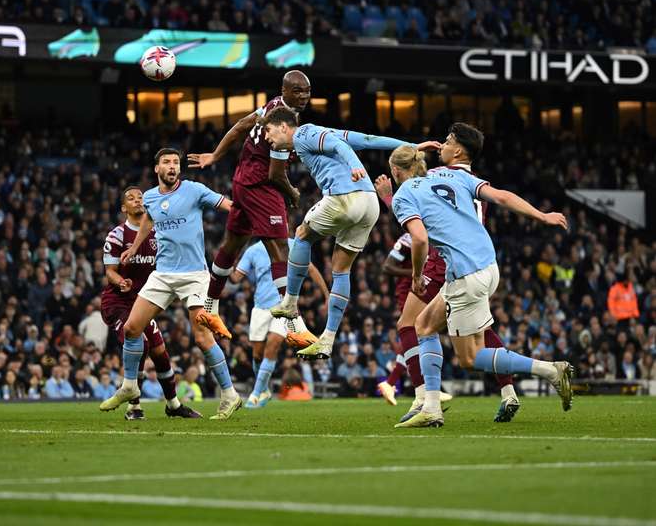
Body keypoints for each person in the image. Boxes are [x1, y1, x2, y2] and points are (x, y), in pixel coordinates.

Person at [386, 128, 574, 428]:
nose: (443, 145)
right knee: (423, 324)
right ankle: (431, 407)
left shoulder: (407, 192)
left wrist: (417, 275)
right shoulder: (456, 176)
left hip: (464, 273)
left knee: (471, 359)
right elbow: (500, 196)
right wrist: (541, 216)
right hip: (487, 264)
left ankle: (550, 370)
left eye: (448, 142)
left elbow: (419, 240)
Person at [262, 107, 439, 360]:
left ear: (283, 126)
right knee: (341, 269)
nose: (267, 137)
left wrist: (355, 166)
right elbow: (366, 140)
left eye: (268, 131)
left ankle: (290, 302)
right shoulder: (324, 132)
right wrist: (412, 145)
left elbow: (339, 148)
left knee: (301, 234)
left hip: (346, 197)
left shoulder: (304, 133)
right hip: (369, 203)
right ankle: (328, 339)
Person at [374, 125, 519, 423]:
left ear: (459, 150)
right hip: (476, 258)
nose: (443, 144)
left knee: (409, 325)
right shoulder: (469, 180)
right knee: (483, 331)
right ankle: (509, 392)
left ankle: (423, 398)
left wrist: (388, 198)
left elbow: (410, 186)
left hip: (444, 260)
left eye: (449, 141)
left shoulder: (441, 176)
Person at [99, 148, 242, 419]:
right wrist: (135, 247)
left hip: (194, 276)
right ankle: (130, 386)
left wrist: (242, 221)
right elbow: (149, 221)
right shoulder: (150, 197)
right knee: (132, 328)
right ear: (157, 169)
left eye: (176, 162)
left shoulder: (194, 190)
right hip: (163, 275)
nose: (172, 166)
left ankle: (230, 394)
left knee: (201, 336)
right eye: (166, 162)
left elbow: (228, 205)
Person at [188, 71, 310, 341]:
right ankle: (293, 325)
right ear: (285, 90)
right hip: (261, 185)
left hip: (242, 179)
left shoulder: (272, 104)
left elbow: (241, 125)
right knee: (279, 248)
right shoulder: (283, 122)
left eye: (306, 91)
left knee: (232, 244)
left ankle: (210, 307)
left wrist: (216, 155)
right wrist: (292, 193)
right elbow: (276, 175)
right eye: (297, 91)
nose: (303, 96)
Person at [101, 185, 200, 419]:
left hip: (143, 301)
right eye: (131, 198)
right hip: (118, 303)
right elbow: (109, 272)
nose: (137, 200)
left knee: (160, 352)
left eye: (141, 197)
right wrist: (120, 281)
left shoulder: (157, 234)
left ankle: (173, 405)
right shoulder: (117, 235)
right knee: (140, 343)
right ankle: (134, 407)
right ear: (124, 208)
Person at [229, 237, 328, 408]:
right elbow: (236, 278)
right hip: (260, 307)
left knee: (273, 344)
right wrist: (225, 262)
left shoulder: (292, 245)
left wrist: (327, 295)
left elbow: (311, 269)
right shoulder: (253, 250)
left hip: (284, 305)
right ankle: (264, 390)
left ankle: (255, 393)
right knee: (257, 354)